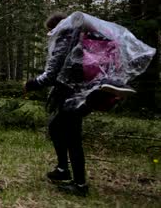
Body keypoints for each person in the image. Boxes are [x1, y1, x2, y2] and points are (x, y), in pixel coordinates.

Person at [24, 11, 155, 197]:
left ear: (56, 27)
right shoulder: (85, 38)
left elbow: (52, 73)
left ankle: (79, 184)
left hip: (70, 92)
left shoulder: (65, 38)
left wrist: (31, 83)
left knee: (71, 137)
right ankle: (63, 170)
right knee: (56, 128)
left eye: (50, 31)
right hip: (81, 91)